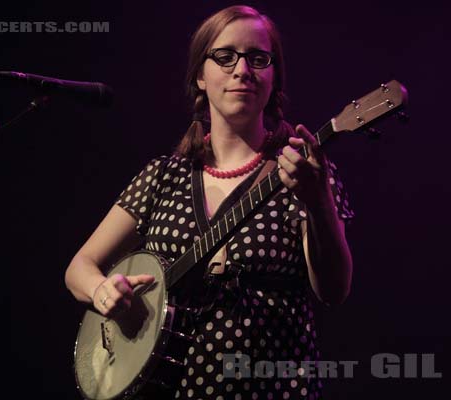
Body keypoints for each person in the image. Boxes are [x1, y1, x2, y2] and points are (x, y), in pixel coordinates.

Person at [65, 5, 354, 399]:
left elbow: (333, 290)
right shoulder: (162, 177)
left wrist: (318, 200)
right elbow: (79, 267)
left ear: (274, 77)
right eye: (224, 56)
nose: (242, 70)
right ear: (200, 77)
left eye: (258, 58)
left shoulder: (302, 171)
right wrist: (103, 292)